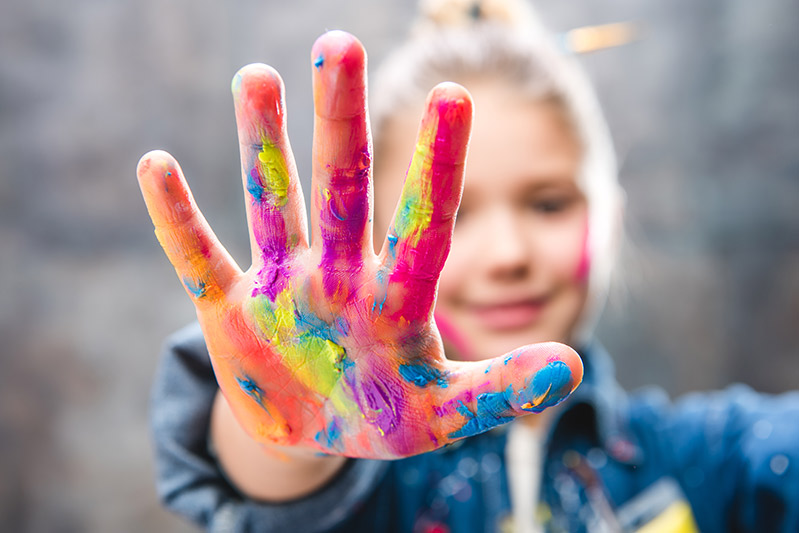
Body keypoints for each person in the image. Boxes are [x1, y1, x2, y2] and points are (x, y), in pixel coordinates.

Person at [137, 1, 799, 531]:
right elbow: (274, 486)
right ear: (367, 242)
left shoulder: (705, 459)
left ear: (610, 218)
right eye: (449, 216)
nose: (508, 255)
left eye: (547, 203)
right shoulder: (372, 477)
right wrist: (290, 432)